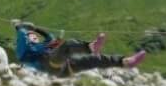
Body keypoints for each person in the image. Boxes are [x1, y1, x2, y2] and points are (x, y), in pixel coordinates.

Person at [14, 21, 146, 75]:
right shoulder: (28, 49)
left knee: (94, 60)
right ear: (28, 39)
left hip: (63, 67)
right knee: (68, 45)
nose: (35, 37)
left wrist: (35, 28)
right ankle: (91, 46)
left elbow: (49, 35)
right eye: (32, 37)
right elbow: (21, 37)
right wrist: (21, 28)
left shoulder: (46, 43)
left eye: (36, 37)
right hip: (47, 63)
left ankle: (125, 62)